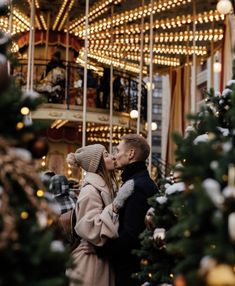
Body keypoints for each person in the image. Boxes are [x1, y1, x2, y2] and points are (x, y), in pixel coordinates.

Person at [66, 144, 134, 286]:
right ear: (97, 164)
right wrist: (114, 207)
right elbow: (92, 229)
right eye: (106, 155)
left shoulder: (105, 187)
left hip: (99, 259)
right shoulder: (90, 191)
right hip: (90, 263)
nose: (113, 157)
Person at [95, 134, 158, 286]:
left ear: (130, 154)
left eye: (117, 150)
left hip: (131, 272)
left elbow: (130, 235)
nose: (115, 156)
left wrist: (100, 249)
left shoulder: (137, 186)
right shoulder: (139, 181)